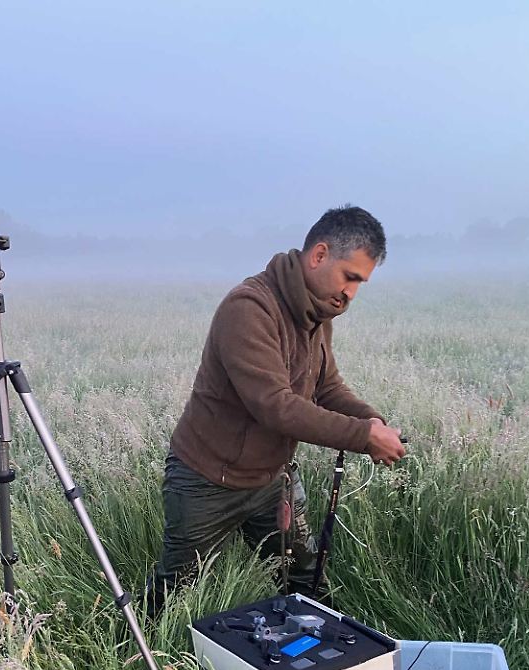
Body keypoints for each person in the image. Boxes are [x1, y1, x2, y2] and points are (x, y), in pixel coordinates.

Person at [147, 205, 405, 613]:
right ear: (319, 255)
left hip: (273, 480)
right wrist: (363, 437)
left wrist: (370, 419)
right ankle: (139, 659)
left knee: (304, 580)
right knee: (176, 592)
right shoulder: (249, 307)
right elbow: (276, 407)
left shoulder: (319, 313)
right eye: (350, 277)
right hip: (206, 478)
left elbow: (327, 386)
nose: (352, 293)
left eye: (361, 283)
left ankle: (312, 663)